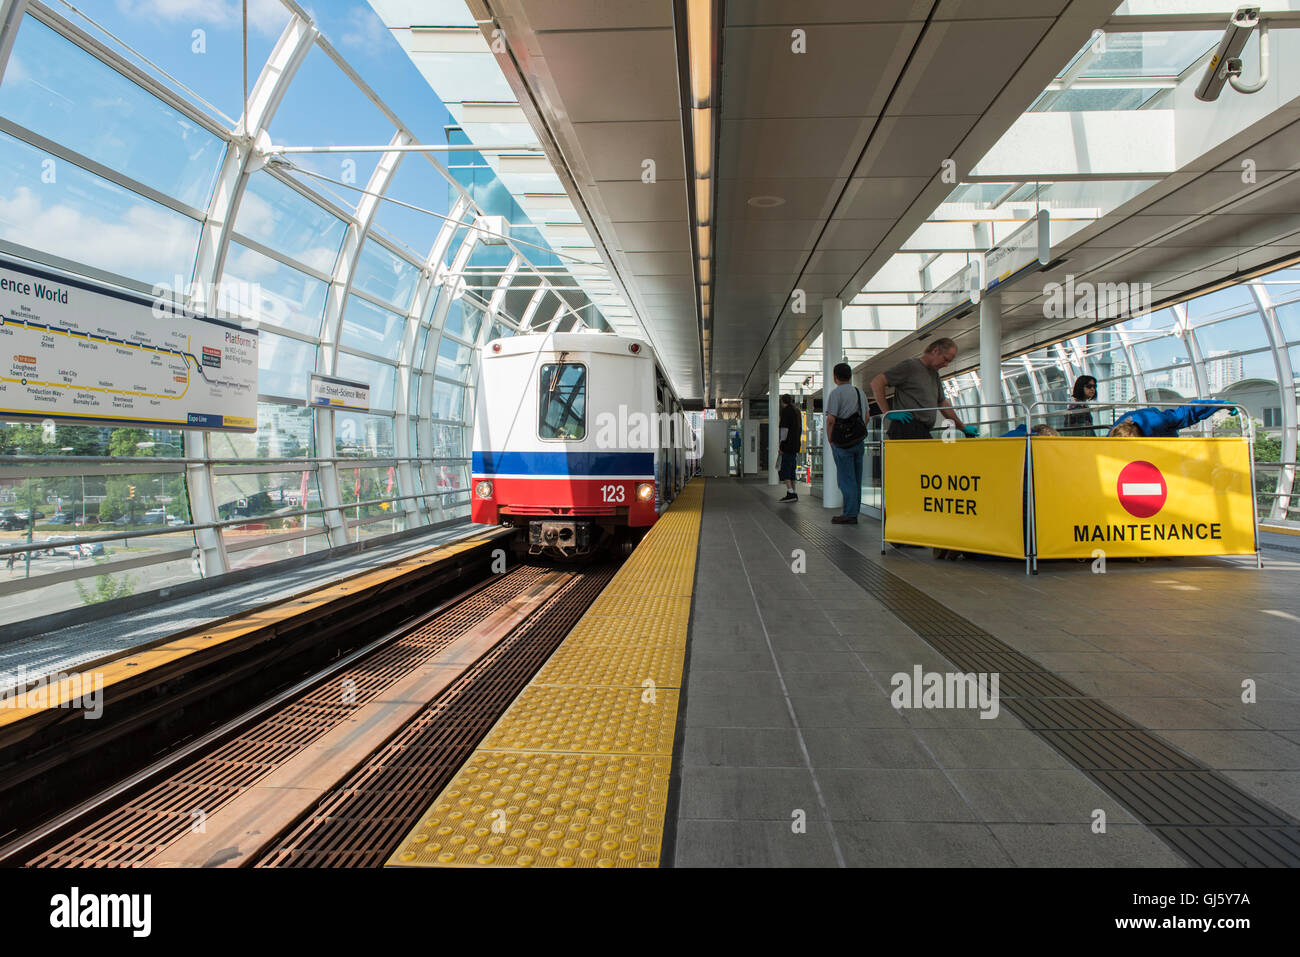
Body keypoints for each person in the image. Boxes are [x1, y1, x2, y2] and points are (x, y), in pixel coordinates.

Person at [870, 337, 979, 440]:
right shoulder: (910, 366)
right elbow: (877, 382)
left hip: (922, 429)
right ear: (935, 351)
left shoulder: (934, 374)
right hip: (906, 427)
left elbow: (942, 403)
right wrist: (888, 412)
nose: (946, 365)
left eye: (948, 362)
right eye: (945, 359)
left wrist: (962, 427)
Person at [823, 363, 866, 525]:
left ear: (835, 377)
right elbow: (866, 416)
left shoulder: (836, 393)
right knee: (856, 479)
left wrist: (830, 439)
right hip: (858, 442)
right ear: (850, 375)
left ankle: (849, 514)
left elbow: (831, 420)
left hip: (842, 444)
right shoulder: (859, 392)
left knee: (846, 479)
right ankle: (854, 511)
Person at [1107, 399, 1235, 437]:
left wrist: (1219, 405)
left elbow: (1186, 413)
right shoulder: (1113, 435)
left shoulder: (1156, 421)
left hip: (1164, 435)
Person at [777, 394, 801, 503]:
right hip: (795, 445)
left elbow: (784, 430)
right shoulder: (797, 412)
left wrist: (781, 445)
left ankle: (791, 492)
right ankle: (793, 492)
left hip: (787, 446)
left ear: (782, 402)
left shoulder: (786, 411)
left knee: (785, 469)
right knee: (792, 469)